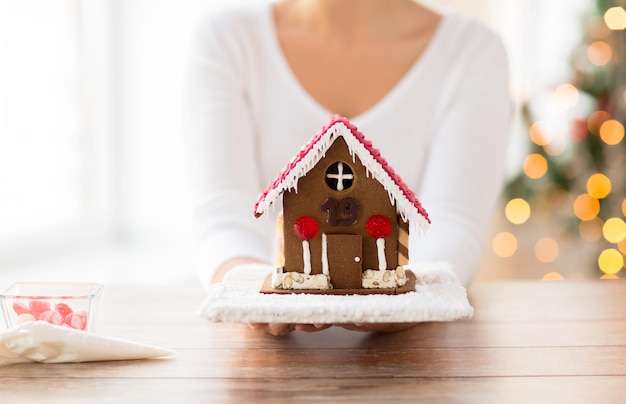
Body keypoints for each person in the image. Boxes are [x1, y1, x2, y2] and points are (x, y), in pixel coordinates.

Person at [184, 0, 511, 335]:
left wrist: (400, 299)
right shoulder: (228, 41)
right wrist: (255, 296)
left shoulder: (472, 52)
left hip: (411, 355)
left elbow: (452, 224)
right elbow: (222, 217)